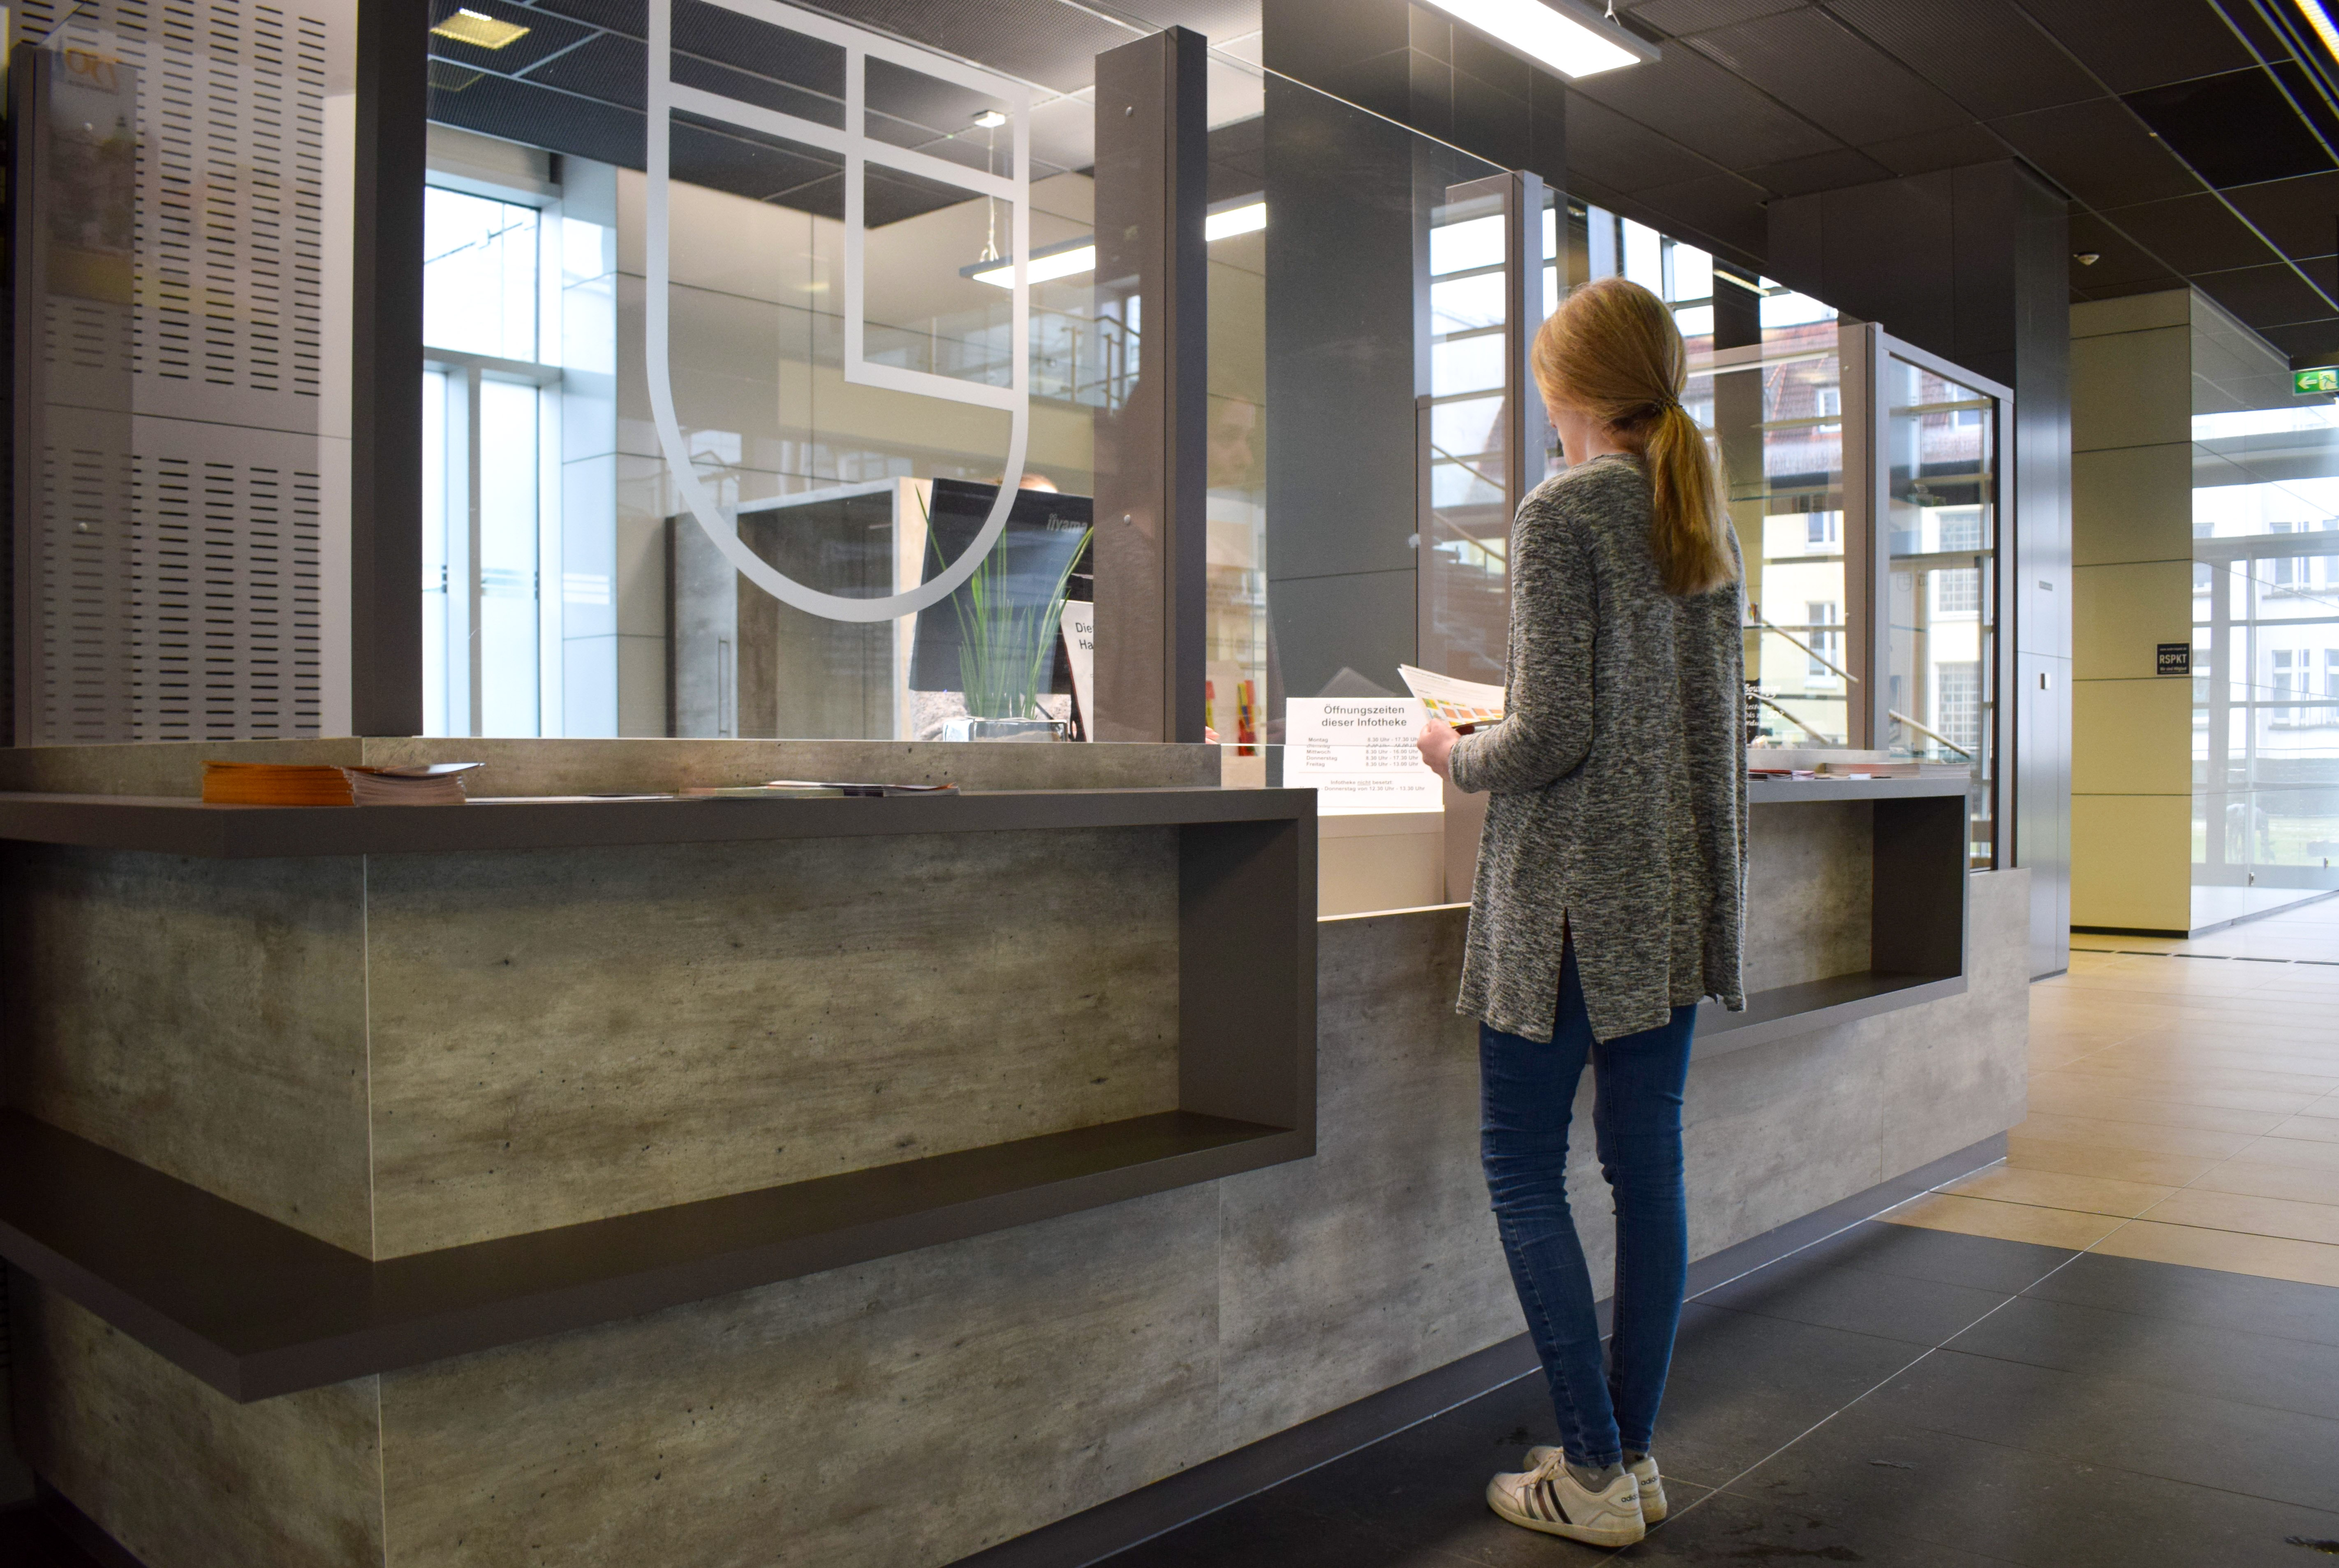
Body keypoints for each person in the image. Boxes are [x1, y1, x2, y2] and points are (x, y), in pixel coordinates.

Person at [1416, 275, 1747, 1549]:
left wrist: (1453, 748)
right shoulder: (1696, 520)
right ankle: (1630, 1455)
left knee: (1520, 1168)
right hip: (1662, 903)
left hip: (1564, 905)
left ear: (1562, 389)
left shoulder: (1564, 510)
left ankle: (1593, 1474)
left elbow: (1550, 732)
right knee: (1646, 1172)